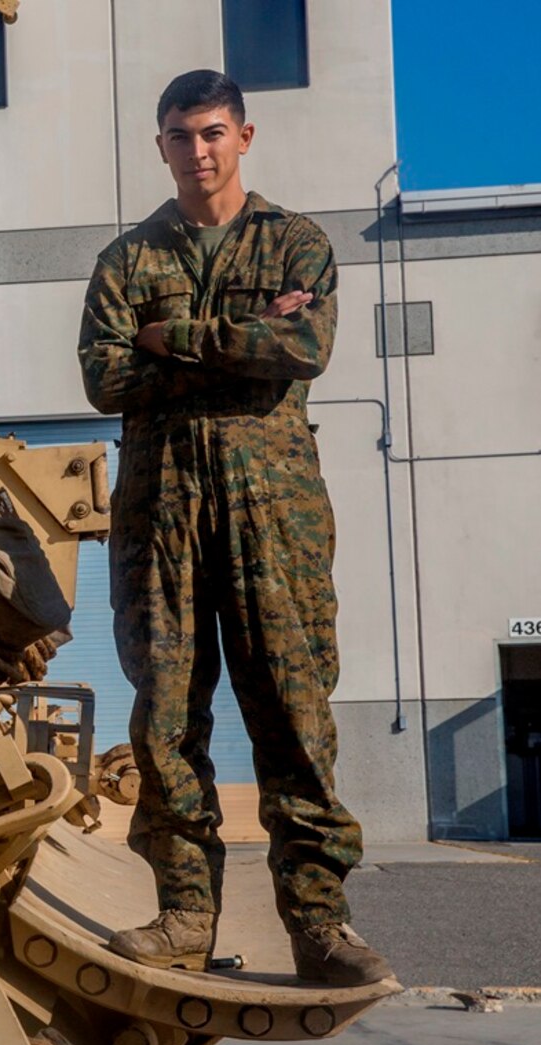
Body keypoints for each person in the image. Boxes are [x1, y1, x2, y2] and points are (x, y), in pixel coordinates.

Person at [76, 70, 392, 986]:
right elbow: (103, 380)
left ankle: (321, 926)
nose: (198, 149)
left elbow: (302, 350)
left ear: (243, 137)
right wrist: (239, 334)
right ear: (161, 145)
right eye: (180, 135)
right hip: (160, 514)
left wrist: (169, 337)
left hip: (273, 515)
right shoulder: (127, 261)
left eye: (212, 132)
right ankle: (183, 914)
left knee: (294, 716)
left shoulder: (295, 242)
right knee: (167, 721)